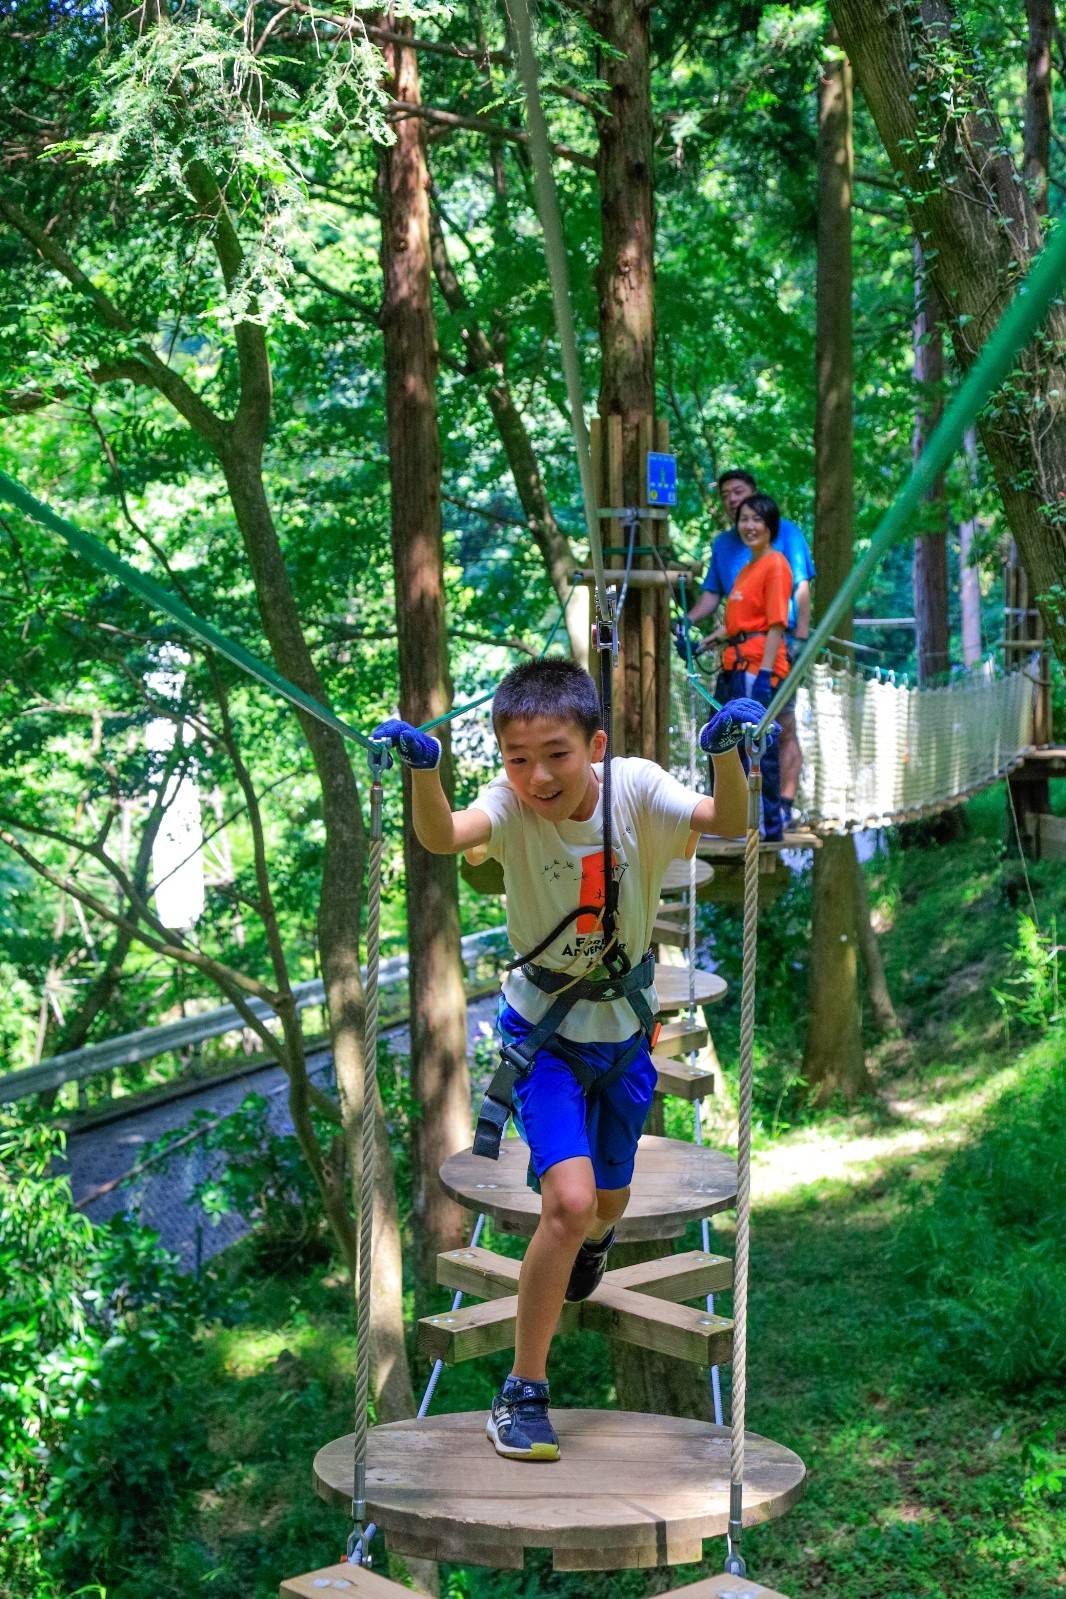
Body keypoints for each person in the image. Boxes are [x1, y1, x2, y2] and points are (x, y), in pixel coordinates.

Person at [372, 660, 776, 1462]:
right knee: (569, 1199)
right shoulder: (508, 804)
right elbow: (443, 835)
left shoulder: (637, 789)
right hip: (546, 1039)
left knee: (608, 1201)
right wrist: (425, 771)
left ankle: (594, 1243)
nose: (537, 777)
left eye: (555, 754)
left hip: (624, 1034)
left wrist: (725, 753)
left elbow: (729, 818)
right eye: (517, 758)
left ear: (594, 745)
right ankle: (522, 1391)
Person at [677, 468, 814, 829]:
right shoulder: (735, 558)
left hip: (769, 656)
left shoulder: (781, 551)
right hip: (738, 662)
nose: (733, 502)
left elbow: (787, 606)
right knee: (728, 735)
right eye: (726, 496)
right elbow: (728, 613)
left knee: (773, 733)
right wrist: (697, 635)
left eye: (739, 493)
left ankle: (774, 817)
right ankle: (736, 817)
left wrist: (796, 644)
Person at [699, 492, 791, 840]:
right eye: (744, 520)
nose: (749, 526)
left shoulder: (775, 564)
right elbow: (739, 624)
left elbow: (775, 625)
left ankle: (765, 826)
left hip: (756, 666)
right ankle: (729, 820)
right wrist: (706, 641)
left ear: (770, 526)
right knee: (721, 739)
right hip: (734, 664)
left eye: (756, 519)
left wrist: (765, 674)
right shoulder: (746, 569)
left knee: (757, 745)